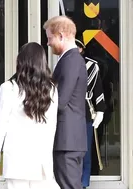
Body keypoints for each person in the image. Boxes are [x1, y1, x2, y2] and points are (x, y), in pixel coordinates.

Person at [0, 42, 59, 189]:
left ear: (20, 61)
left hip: (16, 163)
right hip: (42, 164)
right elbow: (52, 129)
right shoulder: (51, 90)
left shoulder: (8, 88)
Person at [43, 15, 88, 189]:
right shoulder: (70, 59)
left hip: (67, 140)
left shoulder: (70, 60)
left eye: (49, 38)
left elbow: (60, 100)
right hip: (69, 140)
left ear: (61, 35)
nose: (48, 43)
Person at [75, 39, 106, 188]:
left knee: (85, 151)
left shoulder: (92, 65)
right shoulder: (61, 63)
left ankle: (83, 183)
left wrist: (100, 110)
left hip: (85, 110)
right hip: (67, 112)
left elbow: (97, 89)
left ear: (81, 49)